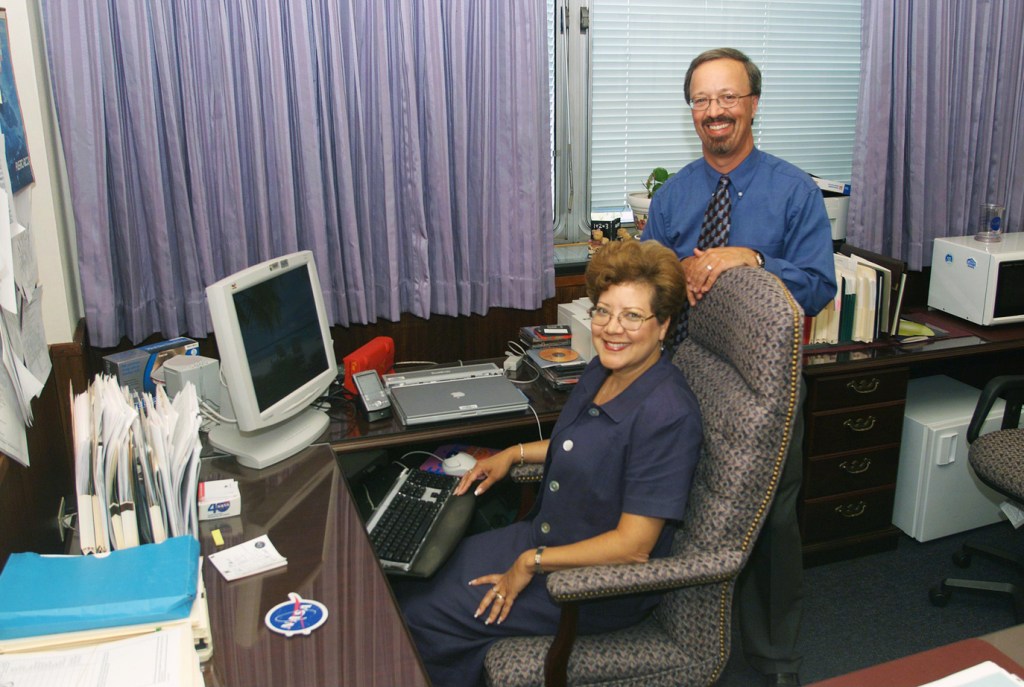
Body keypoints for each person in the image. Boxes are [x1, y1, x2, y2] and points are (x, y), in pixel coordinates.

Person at [393, 239, 703, 687]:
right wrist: (511, 454)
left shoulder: (667, 414)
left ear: (663, 326)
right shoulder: (604, 370)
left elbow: (634, 546)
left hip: (590, 586)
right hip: (544, 538)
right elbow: (575, 445)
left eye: (632, 316)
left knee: (421, 616)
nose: (612, 328)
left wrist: (531, 563)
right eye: (603, 311)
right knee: (411, 576)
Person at [643, 48, 837, 687]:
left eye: (727, 97)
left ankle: (775, 658)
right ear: (691, 112)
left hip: (769, 396)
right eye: (702, 100)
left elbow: (816, 286)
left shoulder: (794, 190)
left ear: (753, 102)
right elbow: (651, 291)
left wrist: (750, 256)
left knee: (772, 525)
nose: (714, 111)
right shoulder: (673, 196)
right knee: (696, 513)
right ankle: (694, 639)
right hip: (687, 381)